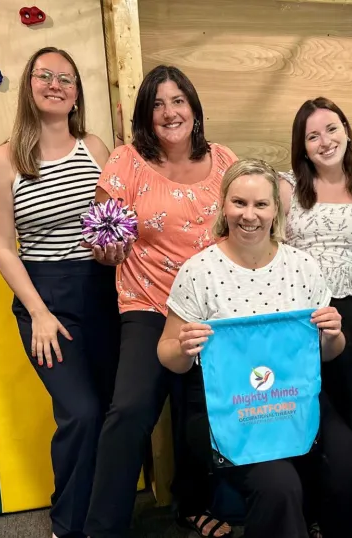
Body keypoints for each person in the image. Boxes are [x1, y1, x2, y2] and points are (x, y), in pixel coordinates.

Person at [157, 158, 352, 538]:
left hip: (295, 398)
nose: (249, 215)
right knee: (278, 486)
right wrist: (185, 348)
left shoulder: (302, 266)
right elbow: (167, 356)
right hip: (230, 408)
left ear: (277, 209)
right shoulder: (199, 270)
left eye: (260, 205)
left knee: (350, 465)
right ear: (224, 206)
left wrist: (333, 335)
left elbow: (327, 353)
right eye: (239, 203)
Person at [83, 65, 239, 538]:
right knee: (129, 411)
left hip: (214, 309)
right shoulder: (126, 161)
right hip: (148, 305)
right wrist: (106, 251)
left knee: (202, 415)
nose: (169, 112)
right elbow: (101, 237)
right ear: (145, 116)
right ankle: (101, 527)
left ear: (194, 108)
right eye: (157, 104)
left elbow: (246, 224)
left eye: (178, 101)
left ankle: (192, 504)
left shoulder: (225, 160)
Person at [0, 47, 119, 538]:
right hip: (46, 298)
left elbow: (107, 225)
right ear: (29, 86)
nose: (55, 84)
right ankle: (68, 525)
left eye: (66, 78)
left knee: (106, 411)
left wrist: (112, 250)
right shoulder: (2, 161)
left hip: (102, 291)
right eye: (45, 76)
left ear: (77, 92)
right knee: (79, 412)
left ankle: (104, 522)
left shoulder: (96, 148)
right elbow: (2, 246)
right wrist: (37, 311)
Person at [279, 97, 352, 447]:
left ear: (346, 132)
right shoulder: (285, 186)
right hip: (300, 314)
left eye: (331, 129)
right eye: (313, 136)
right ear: (303, 146)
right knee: (302, 415)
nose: (325, 141)